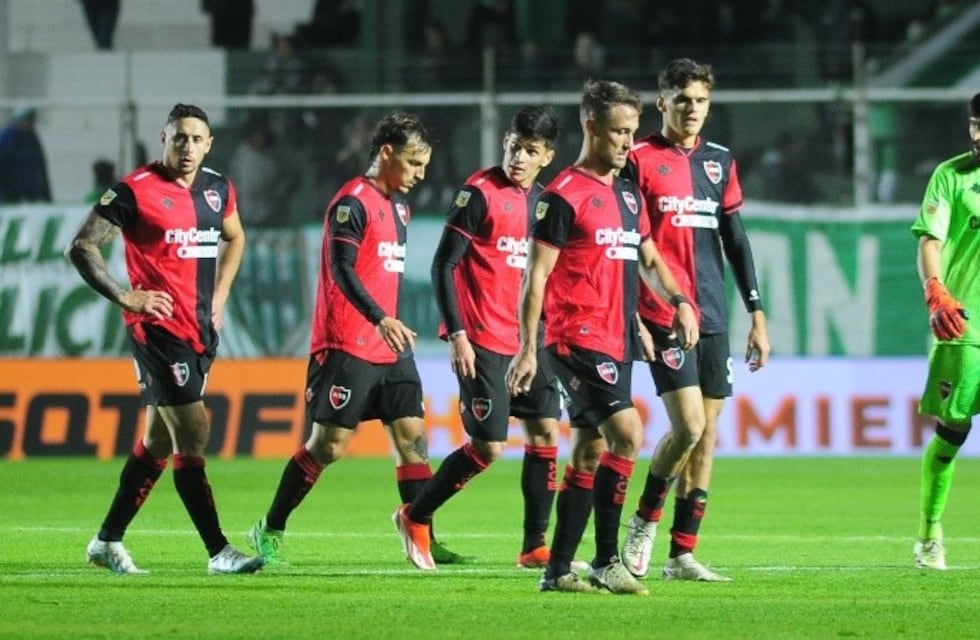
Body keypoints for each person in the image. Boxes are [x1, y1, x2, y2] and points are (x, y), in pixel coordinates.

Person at [504, 80, 699, 594]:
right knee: (629, 434)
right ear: (591, 127)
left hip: (617, 338)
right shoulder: (562, 196)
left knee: (590, 451)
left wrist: (677, 301)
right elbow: (535, 276)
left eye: (633, 132)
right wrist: (528, 346)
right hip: (574, 336)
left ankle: (557, 569)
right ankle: (607, 560)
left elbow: (649, 261)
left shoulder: (630, 195)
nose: (628, 143)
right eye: (618, 132)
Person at [246, 112, 466, 567]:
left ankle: (422, 533)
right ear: (386, 152)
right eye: (413, 162)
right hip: (346, 342)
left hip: (391, 346)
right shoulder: (352, 202)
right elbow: (341, 268)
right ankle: (270, 527)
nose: (420, 174)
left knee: (413, 439)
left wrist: (388, 323)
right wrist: (379, 316)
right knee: (328, 447)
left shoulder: (400, 207)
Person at [66, 103, 263, 575]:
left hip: (200, 329)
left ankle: (106, 541)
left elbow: (236, 238)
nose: (188, 147)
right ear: (164, 138)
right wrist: (125, 296)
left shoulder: (218, 189)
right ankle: (219, 551)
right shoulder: (134, 190)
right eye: (180, 138)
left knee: (157, 440)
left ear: (209, 143)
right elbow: (83, 245)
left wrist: (220, 295)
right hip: (156, 332)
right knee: (193, 431)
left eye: (197, 139)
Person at [619, 58, 770, 583]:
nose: (692, 109)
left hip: (712, 313)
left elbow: (736, 240)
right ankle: (642, 523)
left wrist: (756, 312)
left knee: (707, 439)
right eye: (681, 99)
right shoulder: (637, 160)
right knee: (688, 427)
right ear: (661, 102)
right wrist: (633, 313)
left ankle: (682, 555)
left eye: (701, 100)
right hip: (662, 312)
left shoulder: (720, 161)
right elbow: (630, 246)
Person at [393, 105, 563, 571]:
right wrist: (458, 335)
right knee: (488, 447)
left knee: (546, 432)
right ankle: (415, 514)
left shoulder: (547, 203)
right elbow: (442, 266)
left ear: (546, 156)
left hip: (528, 341)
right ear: (505, 141)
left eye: (531, 151)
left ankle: (533, 546)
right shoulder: (480, 193)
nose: (519, 157)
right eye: (514, 146)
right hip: (483, 338)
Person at [909, 92, 980, 571]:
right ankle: (929, 534)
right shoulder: (952, 175)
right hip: (966, 322)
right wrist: (936, 289)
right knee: (955, 429)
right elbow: (931, 241)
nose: (977, 135)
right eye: (975, 124)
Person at [0, 106, 52, 204]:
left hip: (30, 195)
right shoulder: (7, 139)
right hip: (10, 195)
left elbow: (41, 168)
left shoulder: (32, 139)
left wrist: (46, 197)